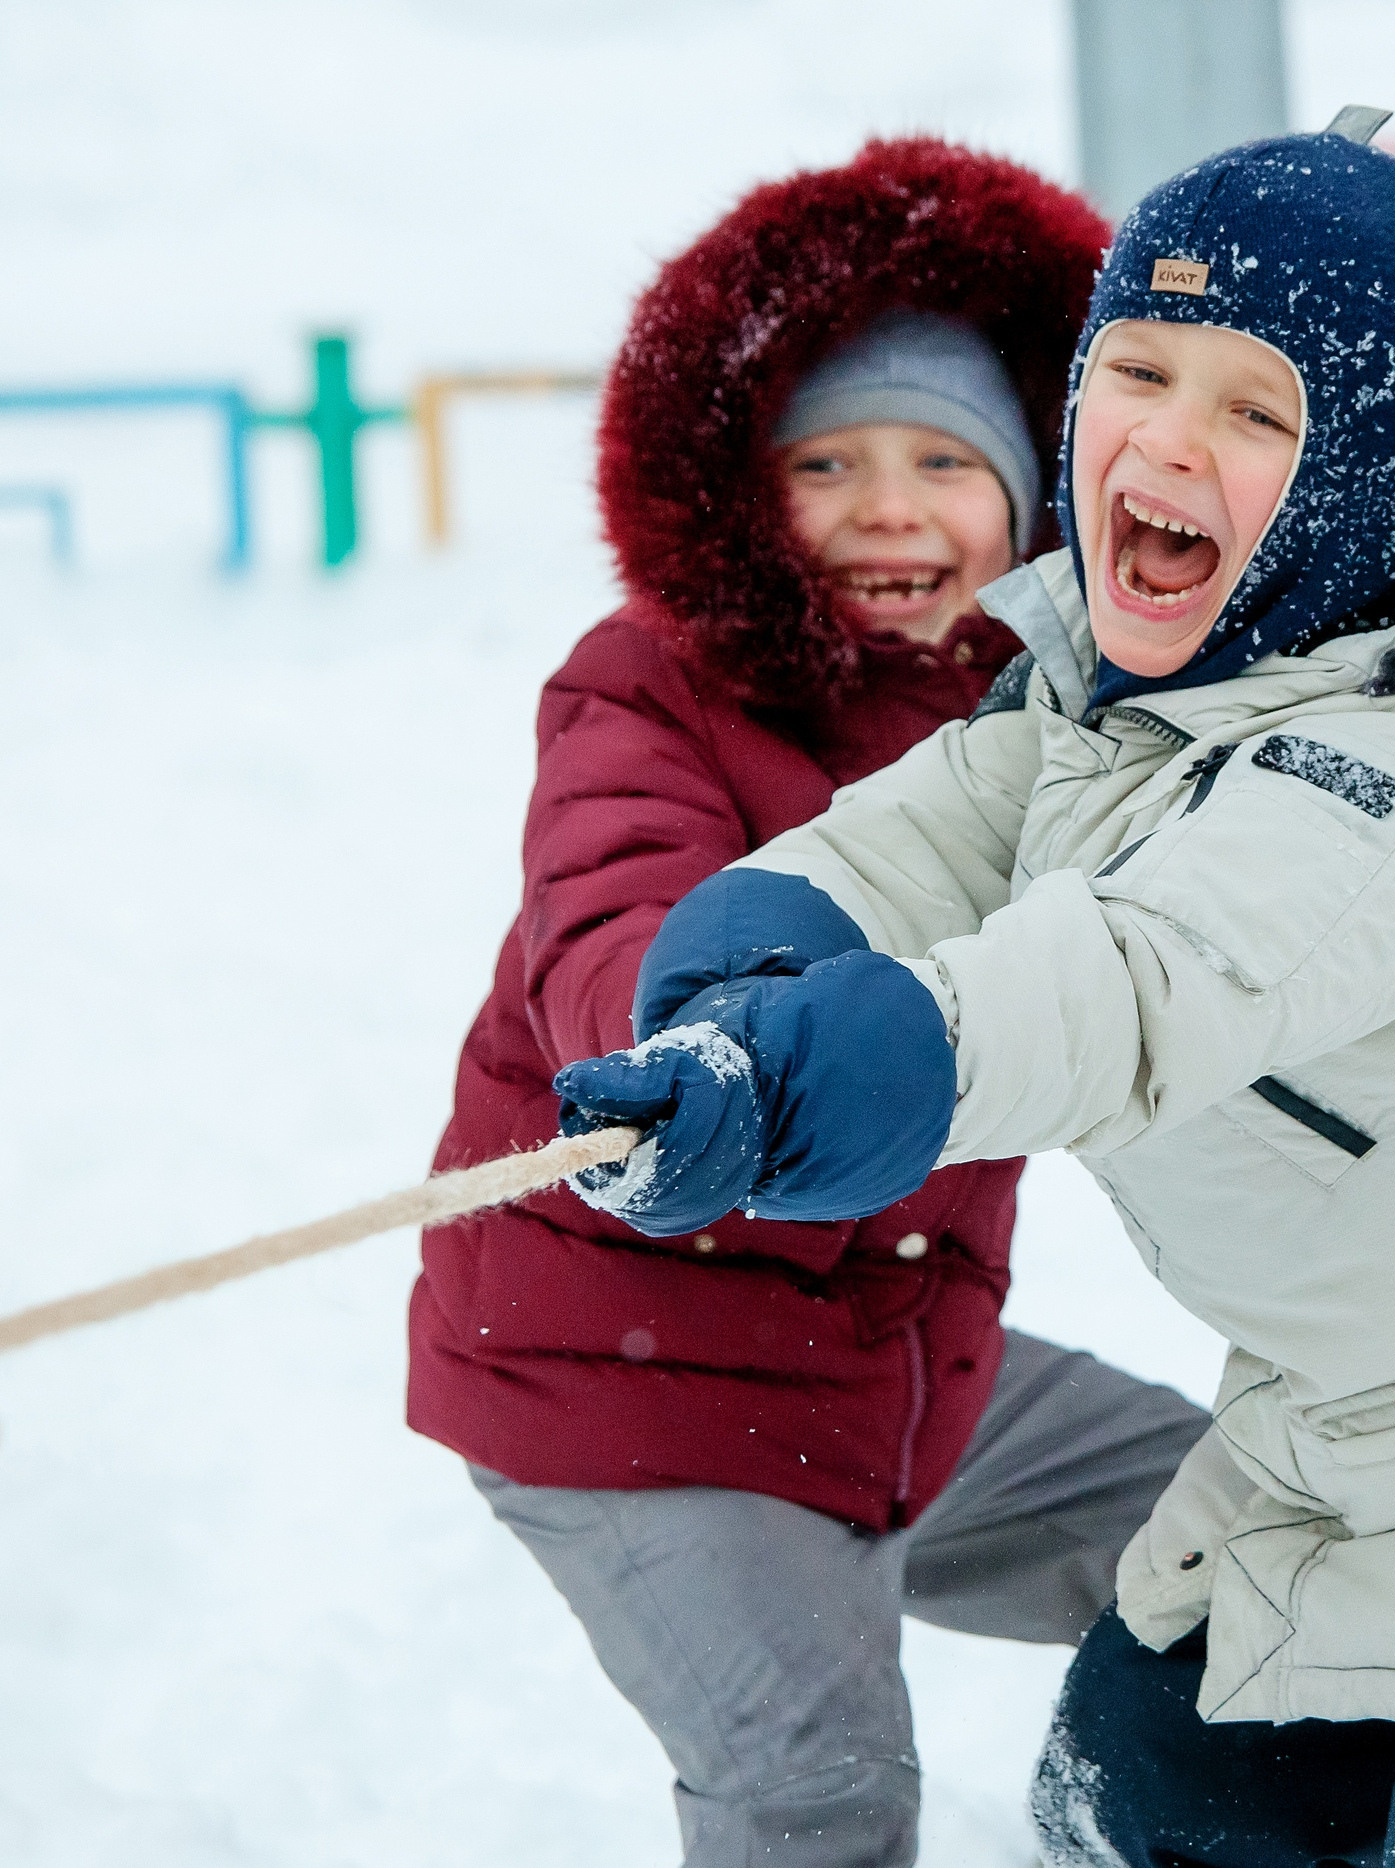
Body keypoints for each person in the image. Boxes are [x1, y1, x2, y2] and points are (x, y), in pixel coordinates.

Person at [550, 118, 1395, 1867]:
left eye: (1258, 412)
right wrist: (741, 978)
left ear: (1373, 477)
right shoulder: (1125, 690)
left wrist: (852, 1073)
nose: (1169, 439)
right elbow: (910, 846)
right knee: (1151, 1797)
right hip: (1377, 1426)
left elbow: (1147, 974)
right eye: (1137, 372)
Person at [405, 137, 1207, 1868]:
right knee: (815, 1792)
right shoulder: (657, 687)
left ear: (1042, 490)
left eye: (943, 457)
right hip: (634, 1365)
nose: (889, 506)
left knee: (1251, 1545)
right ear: (742, 490)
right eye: (827, 462)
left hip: (895, 1351)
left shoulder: (1070, 719)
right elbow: (611, 904)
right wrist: (682, 1046)